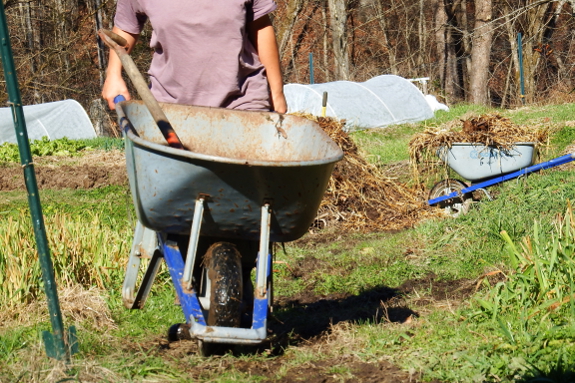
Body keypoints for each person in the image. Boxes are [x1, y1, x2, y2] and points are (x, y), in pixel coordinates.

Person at [101, 0, 287, 114]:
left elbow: (261, 27)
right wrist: (113, 75)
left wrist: (276, 92)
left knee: (245, 176)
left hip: (242, 101)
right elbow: (126, 28)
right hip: (170, 107)